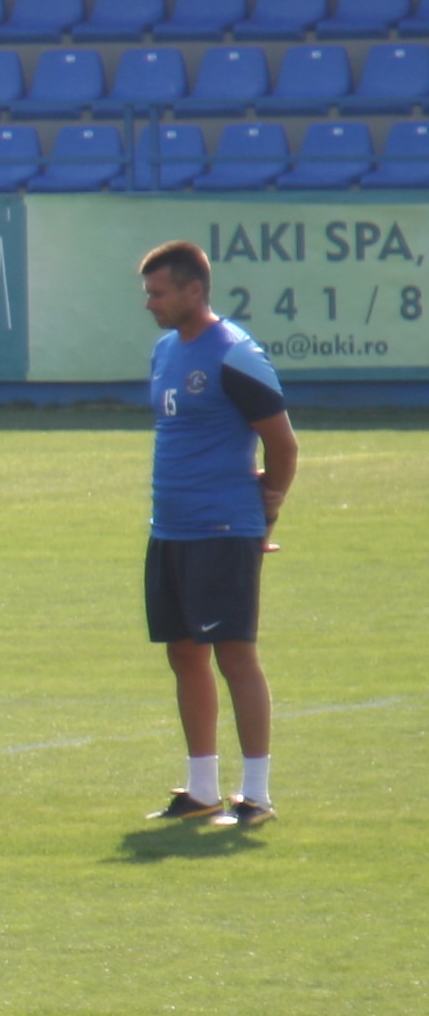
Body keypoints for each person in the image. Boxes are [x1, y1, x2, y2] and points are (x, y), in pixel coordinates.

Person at [138, 239, 293, 828]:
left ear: (192, 290)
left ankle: (256, 796)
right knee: (184, 653)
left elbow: (282, 443)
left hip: (223, 528)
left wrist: (266, 513)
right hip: (171, 529)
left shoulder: (234, 354)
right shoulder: (164, 351)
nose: (149, 303)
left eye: (158, 293)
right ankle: (202, 788)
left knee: (235, 656)